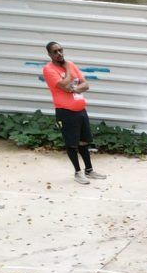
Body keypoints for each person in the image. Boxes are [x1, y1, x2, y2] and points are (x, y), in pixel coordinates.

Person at [43, 41, 105, 185]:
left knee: (84, 141)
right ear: (49, 54)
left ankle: (89, 170)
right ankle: (78, 172)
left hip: (80, 110)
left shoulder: (70, 64)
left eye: (60, 50)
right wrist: (67, 69)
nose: (59, 54)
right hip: (65, 112)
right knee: (72, 143)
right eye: (55, 52)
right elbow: (64, 85)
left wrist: (75, 89)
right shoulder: (49, 69)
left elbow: (85, 84)